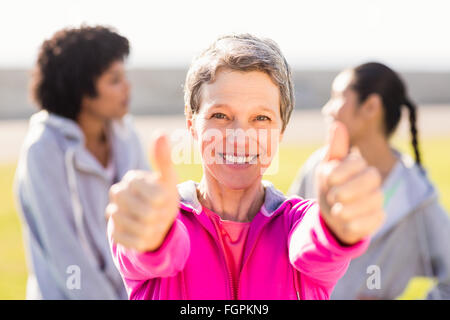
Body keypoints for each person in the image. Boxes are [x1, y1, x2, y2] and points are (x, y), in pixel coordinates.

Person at [106, 34, 385, 300]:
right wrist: (152, 234)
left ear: (281, 131)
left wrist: (334, 227)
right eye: (220, 115)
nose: (240, 137)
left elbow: (314, 246)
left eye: (260, 118)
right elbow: (161, 251)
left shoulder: (297, 224)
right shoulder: (164, 218)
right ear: (192, 124)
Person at [288, 62, 450, 299]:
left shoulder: (418, 197)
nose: (327, 109)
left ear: (371, 106)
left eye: (337, 97)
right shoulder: (318, 168)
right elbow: (281, 243)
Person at [14, 25, 149, 299]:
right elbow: (64, 252)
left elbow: (148, 225)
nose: (127, 87)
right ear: (82, 92)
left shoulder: (126, 135)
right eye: (114, 79)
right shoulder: (43, 149)